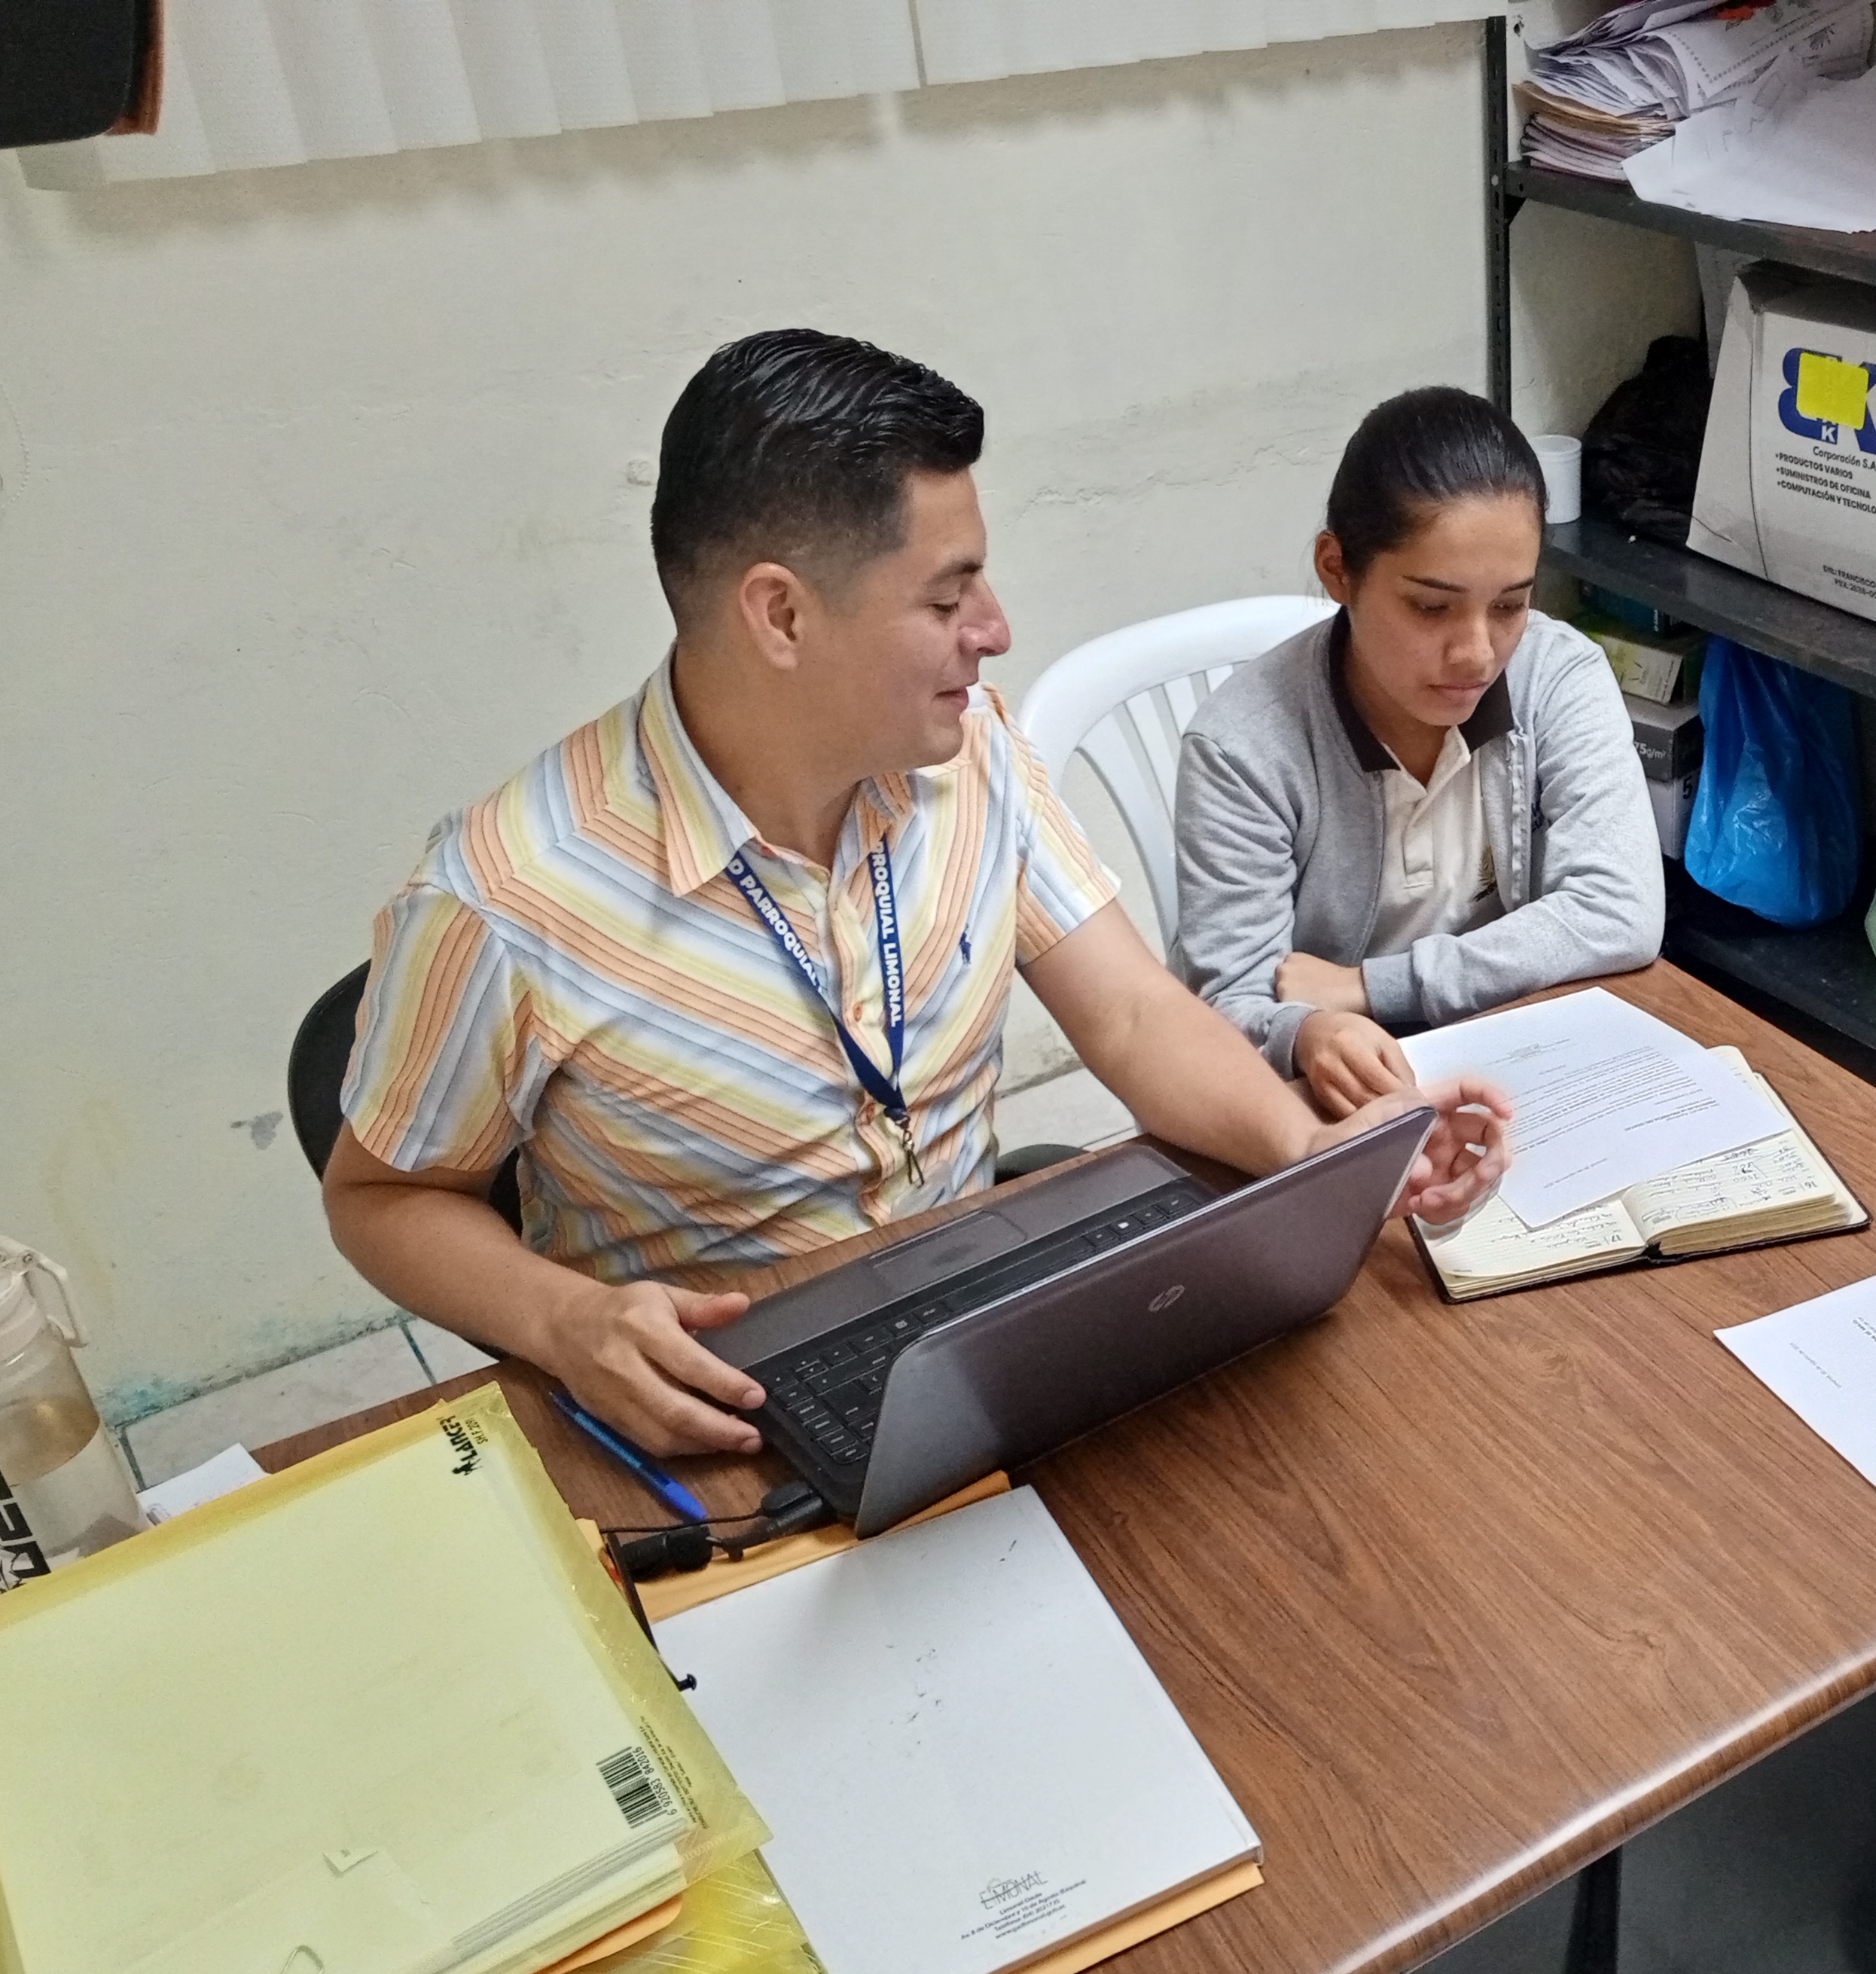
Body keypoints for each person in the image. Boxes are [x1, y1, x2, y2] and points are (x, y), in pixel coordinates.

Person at [325, 331, 1510, 1458]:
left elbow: (1133, 1014)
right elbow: (380, 1200)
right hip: (721, 1403)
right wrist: (560, 1321)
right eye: (947, 601)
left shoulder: (971, 756)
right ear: (781, 615)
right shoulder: (506, 896)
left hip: (978, 1332)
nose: (995, 632)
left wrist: (1312, 1153)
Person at [1170, 386, 1664, 1115]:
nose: (1477, 653)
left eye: (1510, 605)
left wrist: (1371, 987)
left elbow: (1620, 912)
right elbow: (1234, 1007)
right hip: (1329, 1104)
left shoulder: (1557, 675)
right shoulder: (1242, 747)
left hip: (1506, 1057)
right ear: (1337, 569)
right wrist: (1305, 1035)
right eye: (1431, 607)